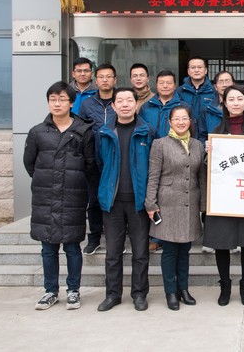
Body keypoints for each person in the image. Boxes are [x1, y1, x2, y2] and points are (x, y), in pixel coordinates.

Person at [24, 81, 97, 311]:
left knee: (72, 247)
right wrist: (47, 180)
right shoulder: (37, 132)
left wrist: (73, 182)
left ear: (72, 103)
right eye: (52, 99)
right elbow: (30, 164)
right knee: (48, 248)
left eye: (62, 99)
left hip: (73, 197)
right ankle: (50, 291)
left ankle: (73, 290)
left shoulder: (83, 131)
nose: (57, 103)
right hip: (45, 197)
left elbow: (90, 165)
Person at [203, 85, 244, 306]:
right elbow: (209, 168)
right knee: (221, 242)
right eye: (231, 99)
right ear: (224, 103)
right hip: (223, 196)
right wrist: (208, 154)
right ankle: (225, 285)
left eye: (240, 99)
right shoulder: (216, 132)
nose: (236, 103)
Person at [95, 87, 155, 312]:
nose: (125, 104)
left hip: (139, 202)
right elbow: (98, 163)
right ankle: (113, 294)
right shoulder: (103, 132)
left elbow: (154, 166)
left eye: (129, 100)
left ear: (136, 104)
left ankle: (139, 294)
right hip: (112, 202)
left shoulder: (147, 131)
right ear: (113, 106)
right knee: (112, 253)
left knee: (140, 253)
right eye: (120, 101)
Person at [145, 106, 206, 311]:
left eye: (185, 118)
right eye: (177, 119)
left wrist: (203, 204)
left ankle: (183, 289)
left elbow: (201, 177)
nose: (181, 122)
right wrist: (151, 203)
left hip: (190, 203)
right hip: (168, 204)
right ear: (169, 122)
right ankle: (170, 292)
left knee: (185, 250)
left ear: (190, 121)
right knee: (170, 251)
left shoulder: (197, 145)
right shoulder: (160, 144)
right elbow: (153, 175)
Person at [140, 70, 190, 254]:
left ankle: (172, 235)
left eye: (169, 82)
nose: (165, 86)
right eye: (162, 83)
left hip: (177, 156)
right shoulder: (146, 107)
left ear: (175, 85)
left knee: (172, 197)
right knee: (154, 194)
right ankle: (155, 237)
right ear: (156, 84)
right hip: (152, 155)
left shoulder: (182, 105)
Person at [79, 63, 118, 255]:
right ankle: (94, 238)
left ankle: (115, 239)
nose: (105, 80)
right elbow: (81, 131)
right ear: (96, 80)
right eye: (101, 77)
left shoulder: (121, 100)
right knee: (94, 200)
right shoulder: (87, 104)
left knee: (117, 200)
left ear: (115, 80)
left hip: (116, 160)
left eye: (109, 76)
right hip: (93, 160)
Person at [177, 56, 217, 123]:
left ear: (206, 70)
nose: (196, 70)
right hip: (186, 128)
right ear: (188, 71)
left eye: (200, 67)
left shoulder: (213, 91)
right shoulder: (180, 91)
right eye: (193, 67)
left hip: (207, 128)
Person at [201, 70, 235, 143]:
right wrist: (206, 146)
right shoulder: (208, 109)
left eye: (227, 81)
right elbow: (202, 135)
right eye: (221, 82)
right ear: (215, 87)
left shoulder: (242, 106)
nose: (224, 85)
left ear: (233, 84)